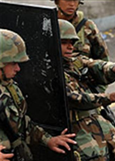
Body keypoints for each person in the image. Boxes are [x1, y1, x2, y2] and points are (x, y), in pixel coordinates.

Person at [58, 19, 115, 161]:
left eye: (72, 43)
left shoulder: (74, 61)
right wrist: (112, 97)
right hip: (75, 128)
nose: (70, 47)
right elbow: (73, 98)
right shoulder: (46, 71)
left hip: (96, 121)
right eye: (64, 43)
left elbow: (95, 65)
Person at [0, 29, 77, 161]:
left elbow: (21, 124)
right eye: (13, 63)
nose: (18, 68)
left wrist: (48, 140)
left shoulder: (10, 88)